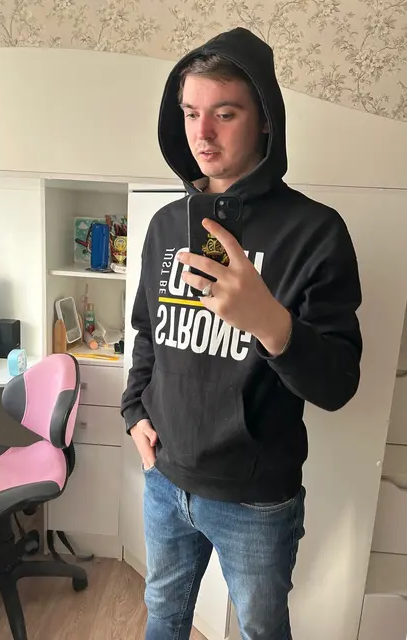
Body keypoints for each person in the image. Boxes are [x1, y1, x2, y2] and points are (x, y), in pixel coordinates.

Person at [121, 26, 362, 640]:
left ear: (264, 121)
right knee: (163, 615)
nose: (202, 134)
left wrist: (268, 321)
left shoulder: (315, 232)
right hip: (165, 478)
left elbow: (338, 383)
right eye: (190, 113)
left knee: (261, 630)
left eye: (224, 114)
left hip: (256, 499)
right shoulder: (164, 225)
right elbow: (147, 332)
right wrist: (133, 411)